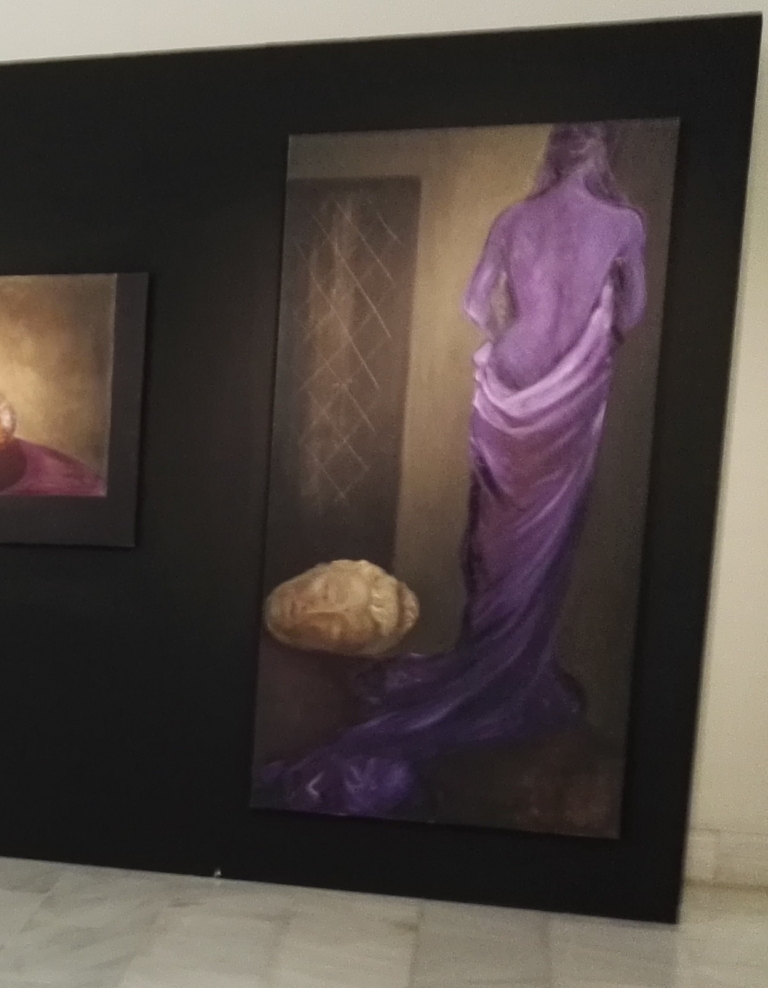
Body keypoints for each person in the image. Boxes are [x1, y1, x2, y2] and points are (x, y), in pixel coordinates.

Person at [260, 123, 648, 820]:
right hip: (567, 398)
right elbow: (635, 311)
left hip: (507, 385)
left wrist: (513, 331)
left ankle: (493, 664)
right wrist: (591, 325)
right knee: (538, 550)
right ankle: (509, 674)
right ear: (604, 149)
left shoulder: (515, 218)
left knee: (494, 545)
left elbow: (474, 303)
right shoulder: (622, 224)